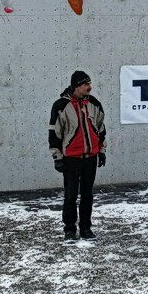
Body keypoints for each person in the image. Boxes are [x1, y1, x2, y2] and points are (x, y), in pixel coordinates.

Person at [49, 70, 107, 241]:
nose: (90, 87)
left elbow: (101, 129)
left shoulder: (94, 103)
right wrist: (57, 157)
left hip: (90, 157)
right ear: (76, 86)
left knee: (87, 195)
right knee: (71, 195)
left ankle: (86, 229)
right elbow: (54, 134)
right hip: (71, 158)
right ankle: (69, 230)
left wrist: (101, 151)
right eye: (86, 84)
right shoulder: (60, 106)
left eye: (90, 83)